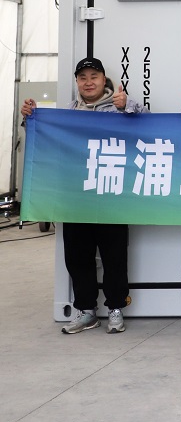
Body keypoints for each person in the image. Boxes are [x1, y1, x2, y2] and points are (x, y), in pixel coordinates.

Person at [22, 57, 148, 334]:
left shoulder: (120, 108)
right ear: (77, 82)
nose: (88, 82)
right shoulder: (68, 113)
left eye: (94, 76)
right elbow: (44, 140)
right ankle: (86, 310)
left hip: (112, 196)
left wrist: (128, 106)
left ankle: (116, 308)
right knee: (77, 256)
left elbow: (148, 126)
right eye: (83, 78)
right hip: (75, 198)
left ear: (104, 80)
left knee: (114, 256)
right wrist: (31, 118)